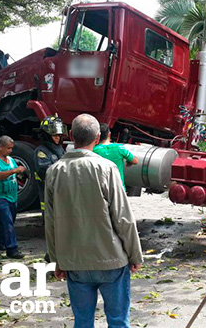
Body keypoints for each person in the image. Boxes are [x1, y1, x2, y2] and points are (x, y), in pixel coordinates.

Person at [44, 114, 143, 328]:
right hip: (111, 260)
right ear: (97, 138)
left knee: (82, 322)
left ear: (71, 136)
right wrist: (135, 254)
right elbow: (123, 217)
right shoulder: (107, 168)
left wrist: (56, 260)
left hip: (74, 262)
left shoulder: (54, 172)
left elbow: (50, 222)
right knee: (118, 322)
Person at [0, 135, 25, 259]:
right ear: (1, 147)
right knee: (7, 221)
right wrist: (14, 171)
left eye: (11, 148)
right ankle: (12, 249)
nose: (10, 151)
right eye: (8, 148)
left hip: (11, 195)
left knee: (9, 220)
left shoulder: (10, 160)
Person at [33, 115, 66, 213]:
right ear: (46, 135)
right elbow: (47, 173)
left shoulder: (60, 149)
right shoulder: (41, 152)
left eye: (59, 135)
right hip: (49, 197)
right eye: (54, 135)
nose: (57, 138)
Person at [93, 123, 138, 188]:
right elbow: (135, 161)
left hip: (101, 188)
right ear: (109, 134)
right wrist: (129, 161)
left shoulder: (94, 150)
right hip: (118, 188)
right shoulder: (119, 148)